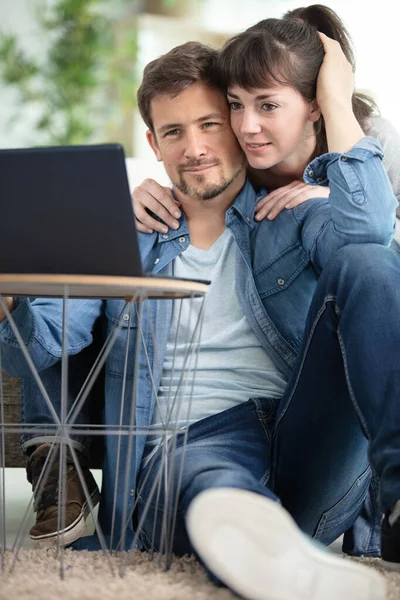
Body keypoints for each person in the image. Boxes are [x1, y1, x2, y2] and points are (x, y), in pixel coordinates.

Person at [0, 31, 399, 600]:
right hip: (186, 456)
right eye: (174, 132)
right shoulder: (124, 235)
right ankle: (278, 563)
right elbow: (43, 344)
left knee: (370, 264)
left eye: (211, 123)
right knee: (206, 463)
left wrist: (334, 101)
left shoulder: (289, 215)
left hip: (304, 452)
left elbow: (370, 239)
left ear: (235, 127)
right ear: (153, 144)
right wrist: (9, 300)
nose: (195, 147)